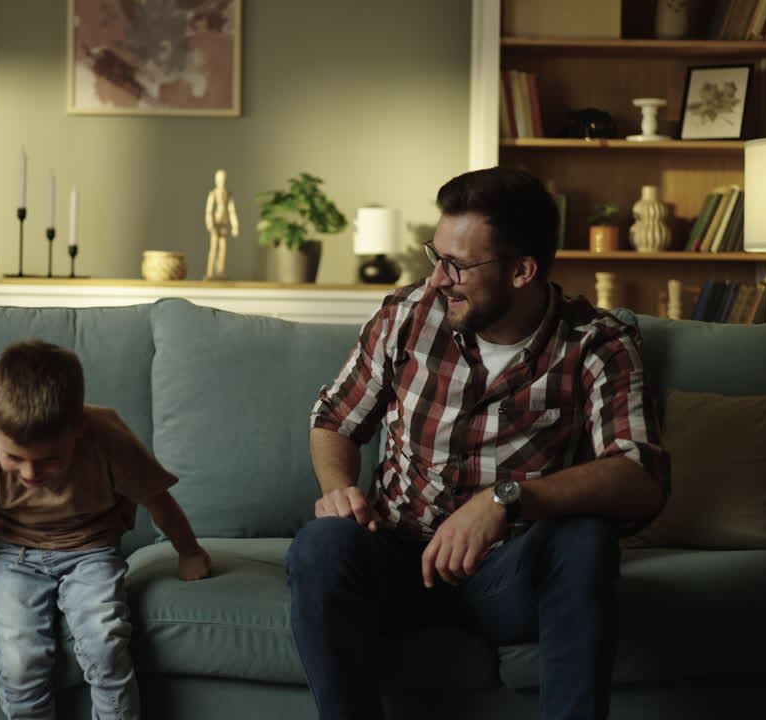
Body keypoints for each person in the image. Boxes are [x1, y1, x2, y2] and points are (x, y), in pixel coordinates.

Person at [287, 167, 669, 720]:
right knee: (320, 545)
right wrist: (339, 489)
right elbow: (334, 418)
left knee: (586, 541)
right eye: (434, 256)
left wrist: (505, 500)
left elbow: (641, 476)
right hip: (394, 559)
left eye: (457, 265)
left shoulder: (597, 344)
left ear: (522, 270)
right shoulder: (406, 315)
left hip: (504, 575)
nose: (438, 278)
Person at [0, 339, 212, 720]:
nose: (30, 474)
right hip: (15, 554)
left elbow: (157, 500)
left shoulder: (108, 439)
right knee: (20, 658)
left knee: (106, 643)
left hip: (91, 549)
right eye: (15, 458)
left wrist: (189, 552)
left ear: (79, 426)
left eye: (49, 459)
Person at [205, 168, 238, 280]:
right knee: (214, 248)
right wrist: (210, 223)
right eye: (220, 178)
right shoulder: (213, 193)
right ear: (216, 180)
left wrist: (235, 226)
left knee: (223, 248)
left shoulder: (228, 194)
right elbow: (209, 210)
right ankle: (210, 272)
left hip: (224, 222)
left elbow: (232, 210)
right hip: (216, 223)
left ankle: (221, 271)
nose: (221, 180)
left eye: (223, 178)